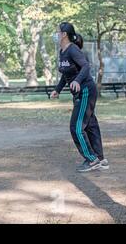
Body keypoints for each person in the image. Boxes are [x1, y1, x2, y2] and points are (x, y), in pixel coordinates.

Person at [51, 22, 108, 173]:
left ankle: (92, 159)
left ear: (64, 34)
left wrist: (77, 81)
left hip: (85, 91)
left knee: (76, 127)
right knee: (90, 125)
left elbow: (86, 66)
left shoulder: (73, 50)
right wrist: (57, 89)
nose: (55, 34)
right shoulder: (63, 52)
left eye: (57, 32)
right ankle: (100, 158)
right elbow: (66, 73)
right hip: (80, 92)